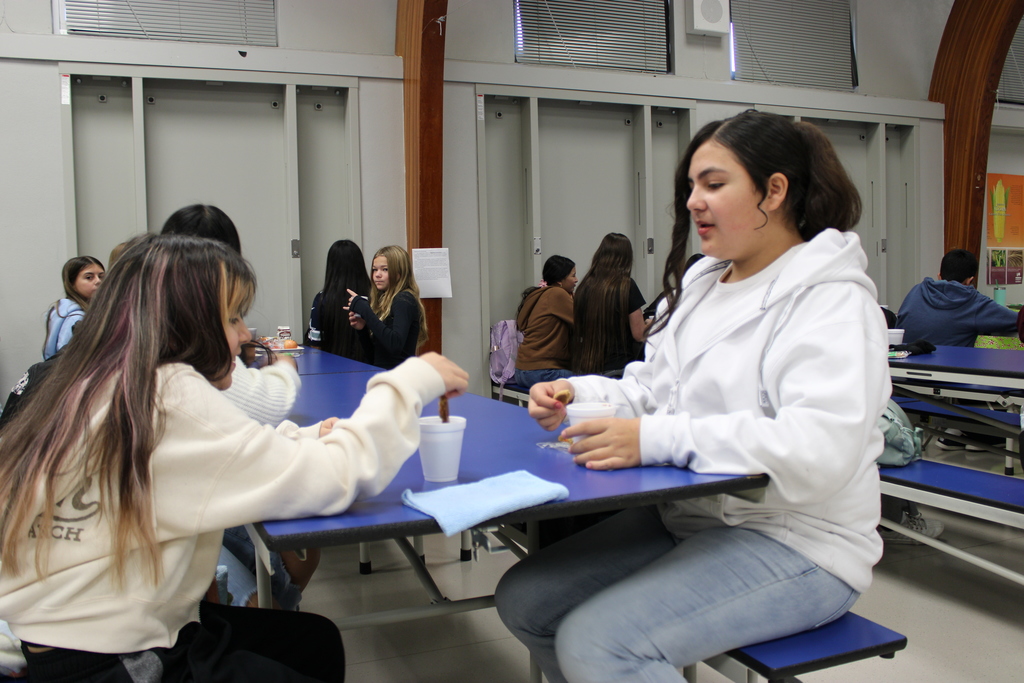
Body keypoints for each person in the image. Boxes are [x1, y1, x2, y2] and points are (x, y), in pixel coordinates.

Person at [494, 110, 889, 683]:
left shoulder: (830, 299)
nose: (693, 202)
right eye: (690, 187)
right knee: (527, 600)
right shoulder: (704, 283)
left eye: (714, 184)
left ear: (774, 190)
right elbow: (651, 389)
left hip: (801, 542)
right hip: (693, 518)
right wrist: (575, 392)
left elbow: (818, 449)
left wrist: (654, 439)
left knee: (601, 643)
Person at [0, 233, 468, 682]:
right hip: (114, 657)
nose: (245, 334)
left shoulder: (100, 379)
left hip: (63, 637)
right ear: (186, 322)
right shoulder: (168, 393)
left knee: (314, 643)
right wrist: (411, 381)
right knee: (307, 652)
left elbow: (214, 452)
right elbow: (339, 477)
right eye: (232, 319)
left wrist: (299, 437)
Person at [896, 248, 1017, 347]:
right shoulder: (974, 302)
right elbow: (1018, 321)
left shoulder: (917, 290)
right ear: (970, 281)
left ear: (939, 276)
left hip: (903, 370)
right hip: (949, 372)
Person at [571, 233, 646, 376]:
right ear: (626, 258)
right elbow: (639, 334)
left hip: (586, 368)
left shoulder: (583, 287)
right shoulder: (626, 286)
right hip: (618, 369)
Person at [346, 245, 428, 370]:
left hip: (398, 377)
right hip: (383, 374)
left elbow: (395, 345)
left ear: (399, 272)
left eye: (385, 269)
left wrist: (366, 311)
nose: (377, 275)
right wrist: (362, 329)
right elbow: (375, 356)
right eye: (374, 269)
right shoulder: (383, 300)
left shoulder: (403, 300)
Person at [514, 255, 578, 388]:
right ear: (560, 279)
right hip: (543, 372)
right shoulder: (557, 294)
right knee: (592, 382)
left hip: (522, 371)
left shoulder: (539, 294)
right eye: (573, 276)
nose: (576, 280)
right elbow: (583, 322)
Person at [307, 239, 371, 363]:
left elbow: (315, 343)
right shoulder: (373, 297)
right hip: (370, 367)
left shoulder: (322, 299)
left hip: (331, 369)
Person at [42, 256, 104, 360]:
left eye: (101, 276)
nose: (98, 281)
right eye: (89, 277)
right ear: (72, 283)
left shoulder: (60, 309)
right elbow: (68, 358)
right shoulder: (76, 318)